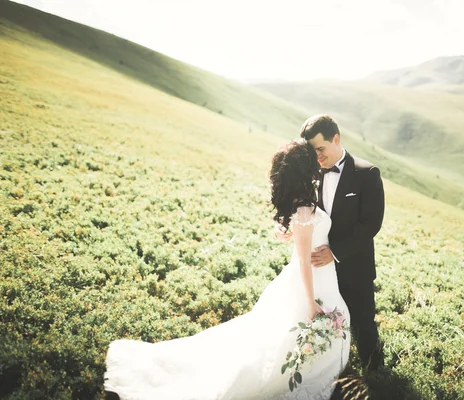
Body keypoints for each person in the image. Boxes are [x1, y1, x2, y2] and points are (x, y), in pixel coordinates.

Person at [104, 139, 350, 400]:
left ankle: (304, 371)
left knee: (288, 337)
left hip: (321, 277)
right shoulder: (303, 208)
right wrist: (310, 302)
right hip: (307, 281)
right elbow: (303, 261)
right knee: (281, 341)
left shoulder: (302, 205)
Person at [278, 114, 385, 373]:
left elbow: (371, 224)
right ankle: (332, 370)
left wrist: (335, 252)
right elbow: (298, 208)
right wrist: (283, 224)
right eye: (311, 152)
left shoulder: (366, 173)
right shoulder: (310, 174)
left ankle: (376, 374)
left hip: (353, 265)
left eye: (320, 149)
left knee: (362, 323)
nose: (317, 157)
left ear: (336, 139)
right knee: (324, 322)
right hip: (319, 271)